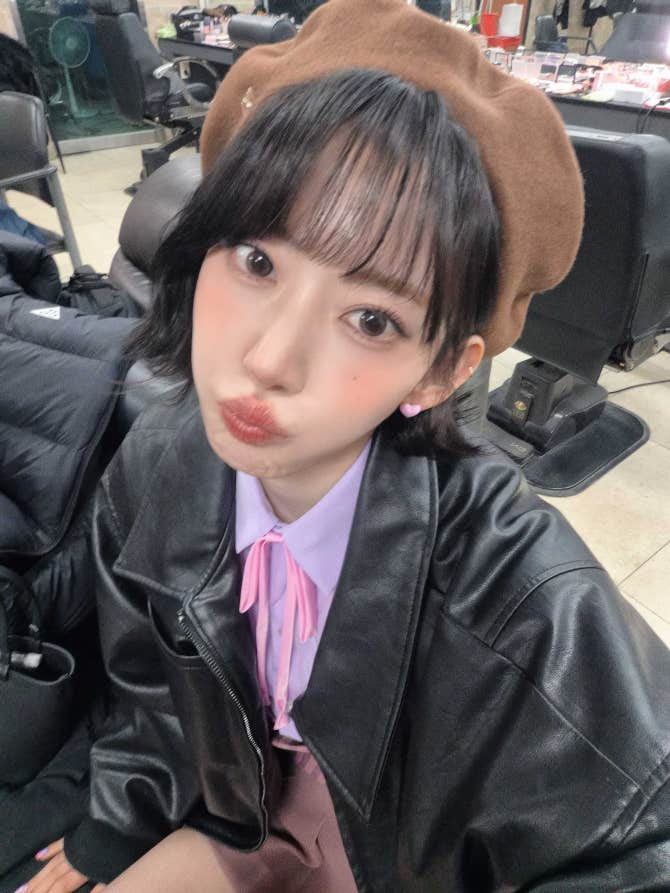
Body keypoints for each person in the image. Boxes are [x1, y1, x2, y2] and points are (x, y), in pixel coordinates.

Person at [20, 1, 670, 891]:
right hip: (239, 807)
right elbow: (151, 690)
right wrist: (115, 821)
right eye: (257, 262)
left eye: (370, 319)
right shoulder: (156, 463)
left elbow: (636, 833)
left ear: (439, 372)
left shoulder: (523, 599)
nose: (269, 360)